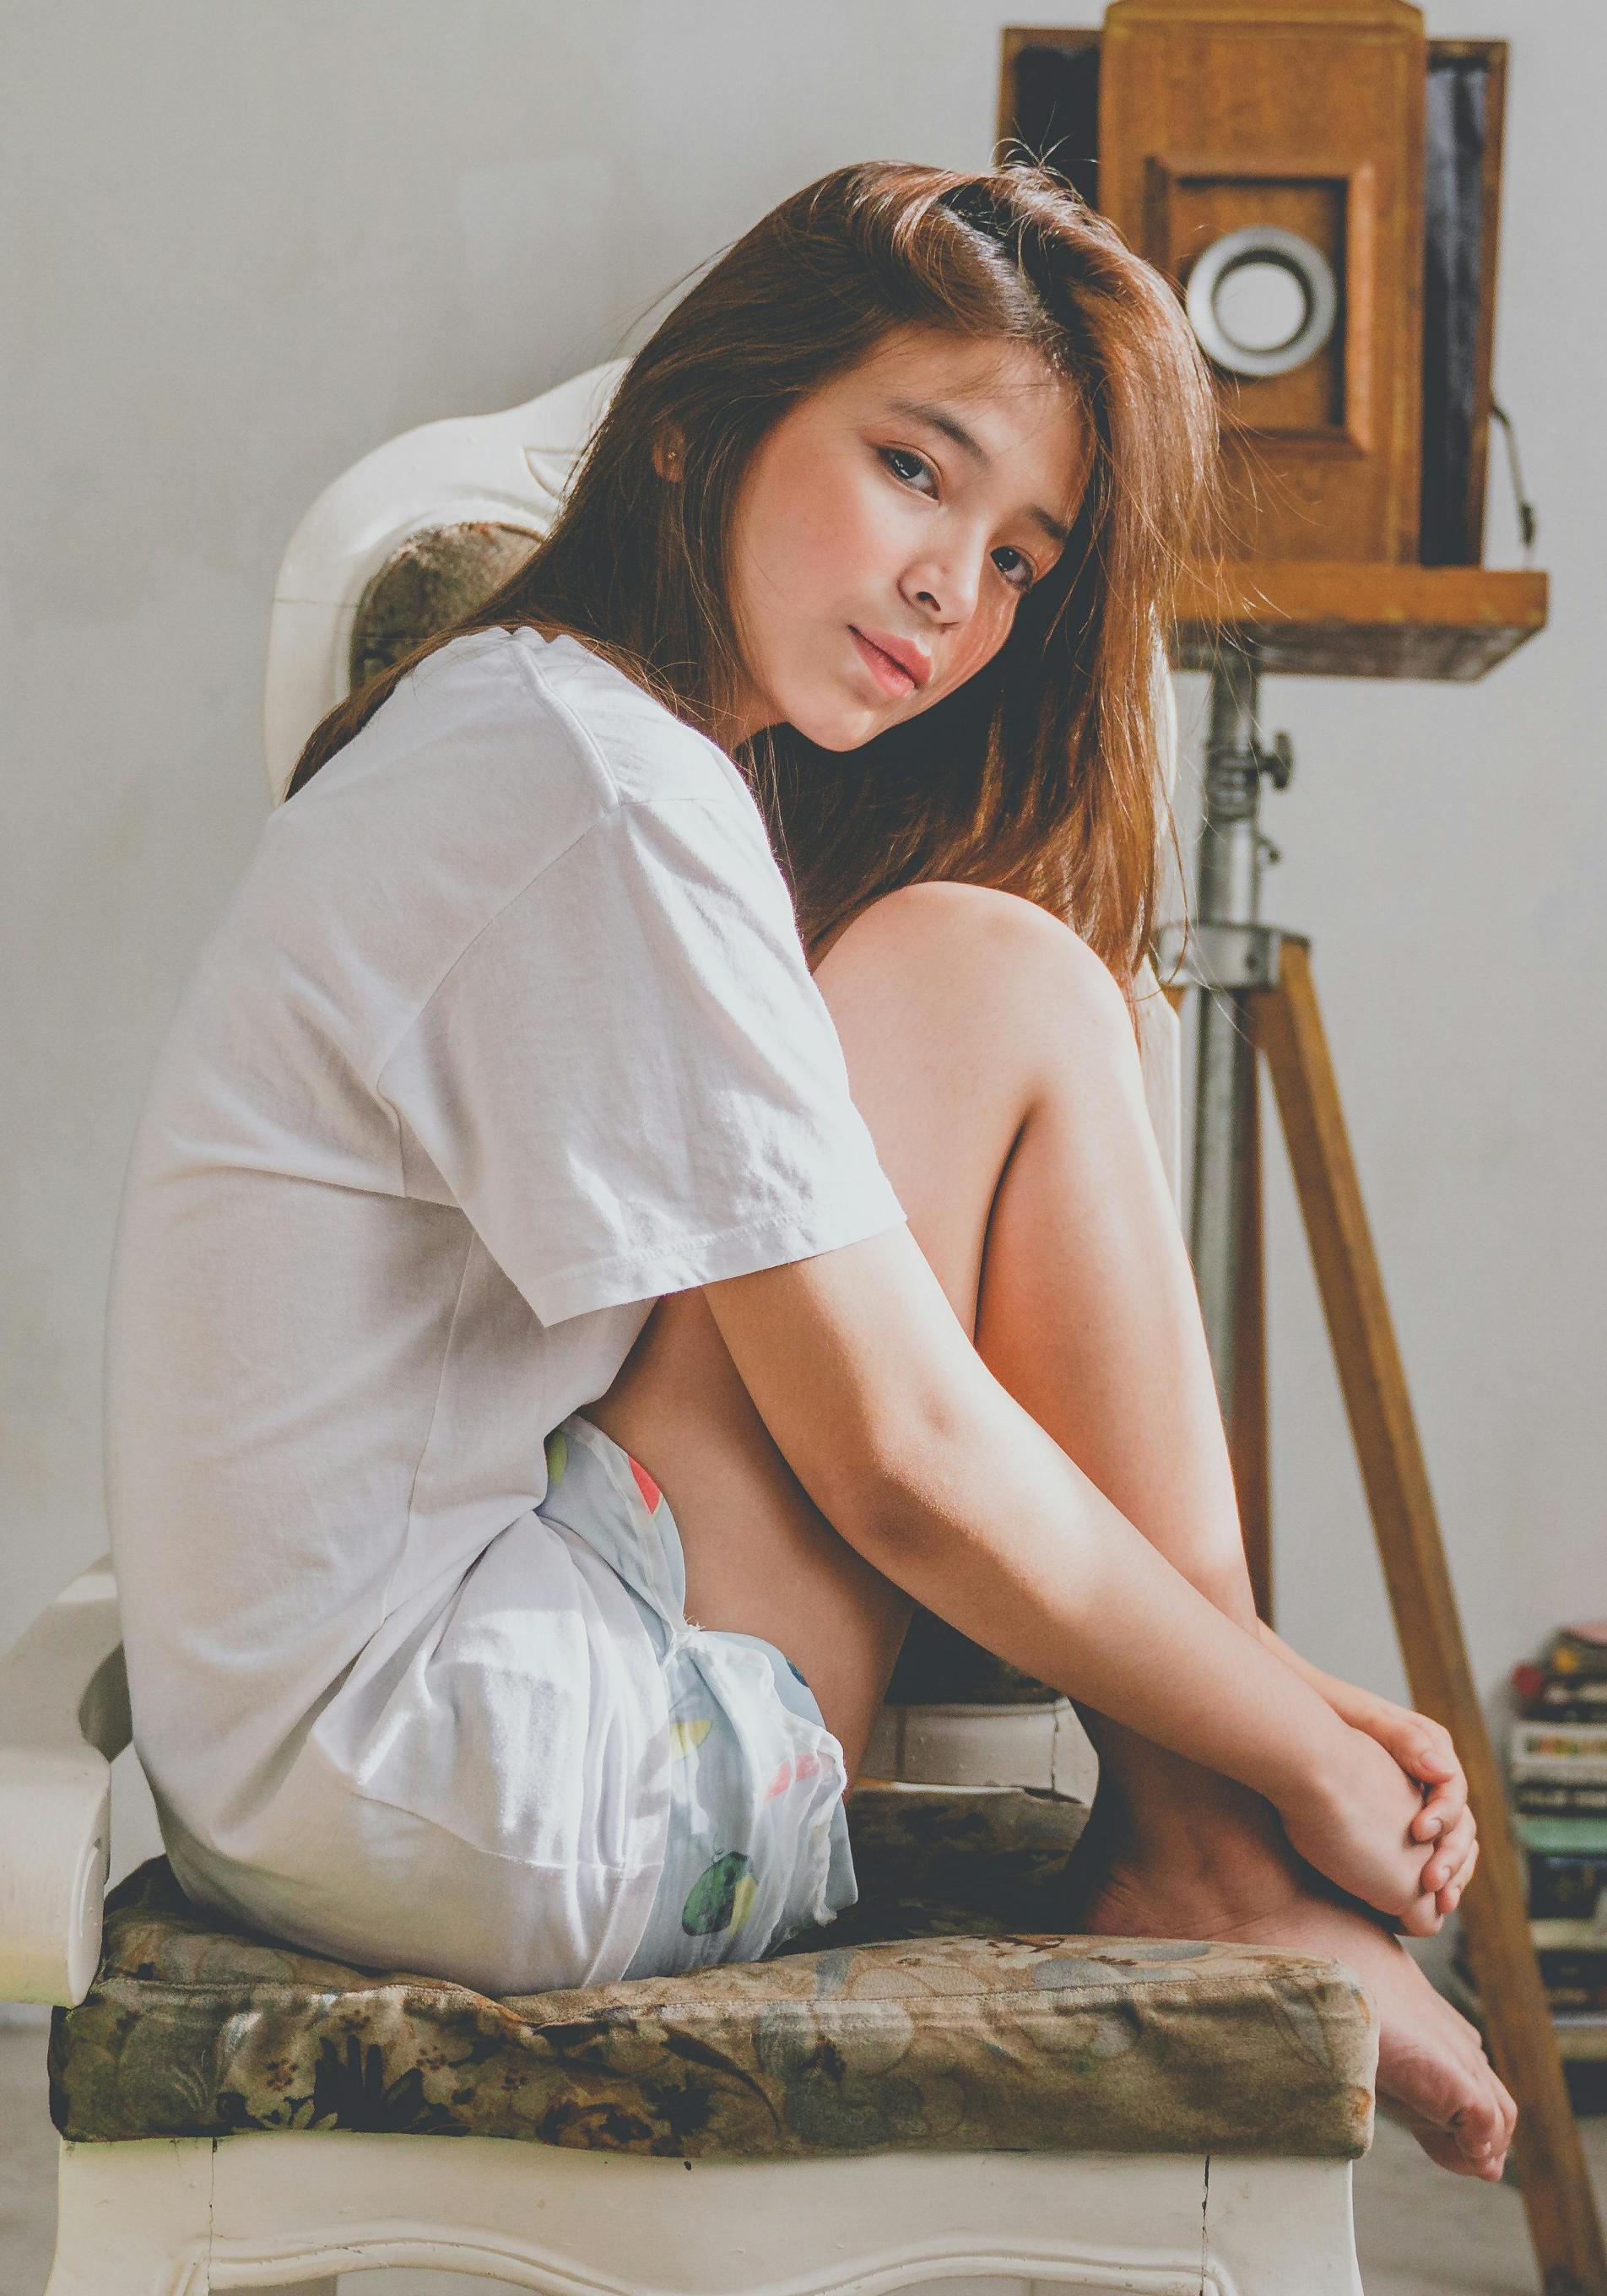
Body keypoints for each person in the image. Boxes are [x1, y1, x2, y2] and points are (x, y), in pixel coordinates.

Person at [105, 160, 1513, 2181]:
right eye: (911, 469)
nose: (956, 588)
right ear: (702, 423)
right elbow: (898, 1457)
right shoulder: (603, 785)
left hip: (327, 1776)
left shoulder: (535, 730)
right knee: (993, 980)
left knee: (971, 976)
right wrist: (1293, 1728)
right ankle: (1213, 1851)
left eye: (1018, 556)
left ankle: (1207, 1839)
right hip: (497, 1790)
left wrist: (1274, 1696)